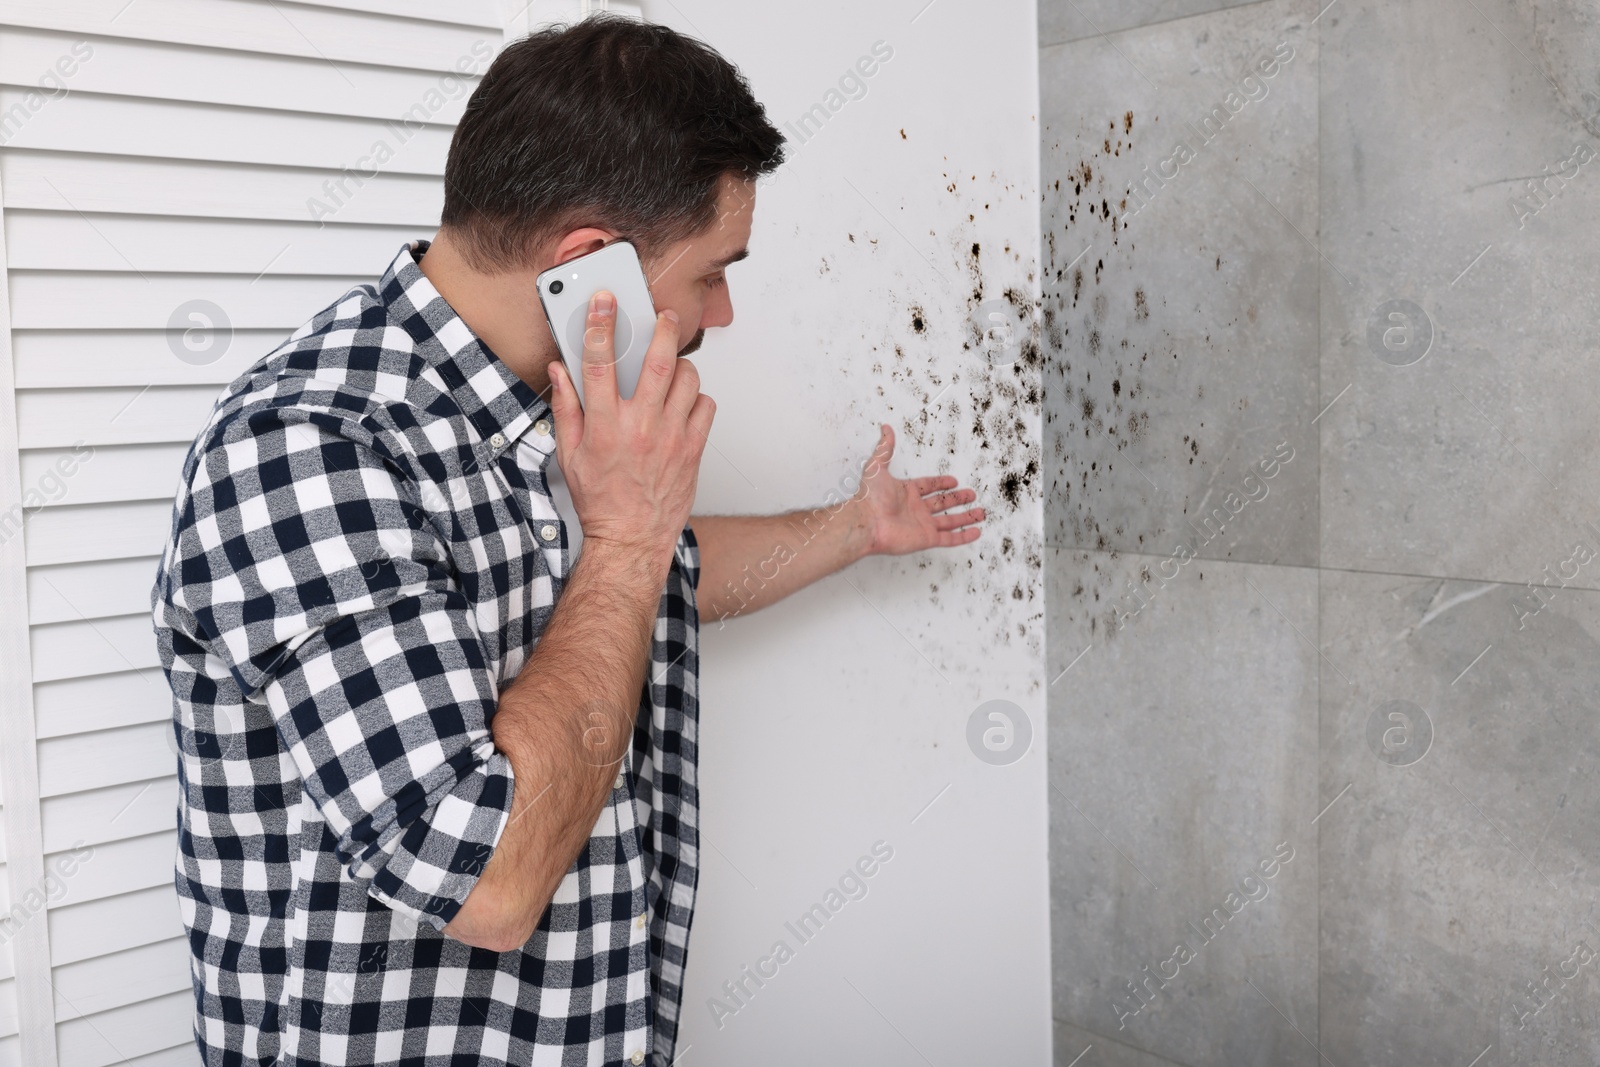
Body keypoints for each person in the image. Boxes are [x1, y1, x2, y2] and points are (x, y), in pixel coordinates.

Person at [152, 14, 984, 1066]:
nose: (721, 312)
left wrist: (853, 527)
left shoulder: (548, 412)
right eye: (713, 270)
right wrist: (629, 536)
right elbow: (488, 879)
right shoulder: (307, 452)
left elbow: (649, 582)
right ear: (593, 268)